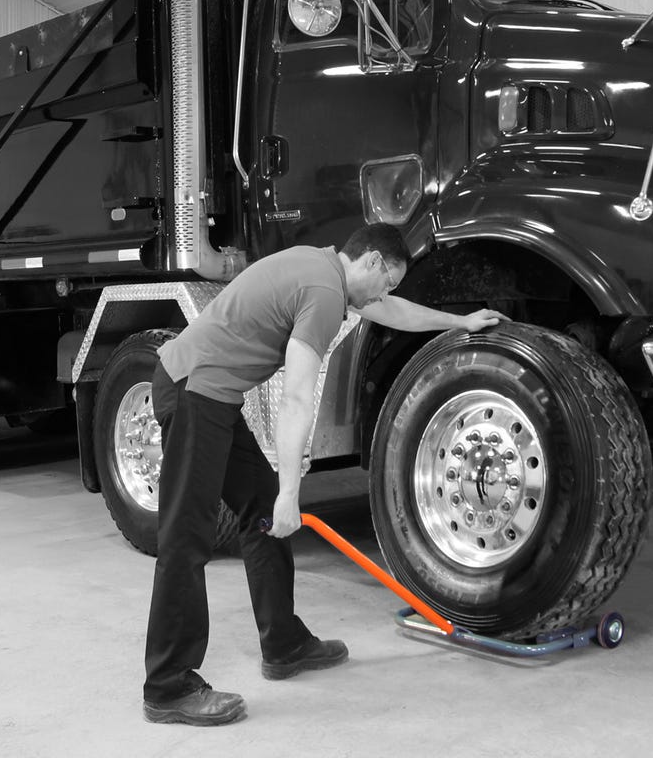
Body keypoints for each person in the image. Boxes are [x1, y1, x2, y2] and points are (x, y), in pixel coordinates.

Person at [142, 224, 507, 726]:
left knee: (260, 509)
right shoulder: (323, 293)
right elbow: (296, 399)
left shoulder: (325, 268)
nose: (384, 295)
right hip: (192, 389)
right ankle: (168, 686)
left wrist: (459, 322)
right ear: (372, 261)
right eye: (388, 281)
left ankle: (283, 643)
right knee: (187, 536)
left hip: (211, 394)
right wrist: (292, 491)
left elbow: (389, 310)